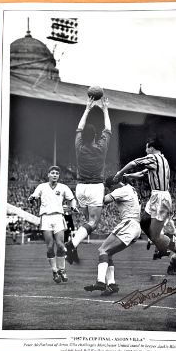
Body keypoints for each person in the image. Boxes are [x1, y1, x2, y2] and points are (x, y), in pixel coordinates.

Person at [65, 95, 112, 262]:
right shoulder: (101, 148)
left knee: (87, 221)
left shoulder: (79, 146)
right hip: (94, 187)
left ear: (83, 136)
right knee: (93, 223)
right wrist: (105, 109)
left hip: (80, 188)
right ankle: (73, 244)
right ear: (95, 136)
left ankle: (74, 246)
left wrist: (87, 108)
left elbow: (79, 128)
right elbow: (108, 129)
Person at [113, 138, 176, 257]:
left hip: (161, 197)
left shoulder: (153, 158)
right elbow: (142, 173)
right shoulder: (162, 160)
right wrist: (127, 175)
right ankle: (162, 248)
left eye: (146, 148)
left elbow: (133, 163)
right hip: (156, 195)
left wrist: (120, 173)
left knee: (155, 234)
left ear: (151, 148)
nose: (145, 150)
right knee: (144, 223)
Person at [83, 176, 141, 296]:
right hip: (135, 227)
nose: (111, 190)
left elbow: (103, 200)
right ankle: (112, 284)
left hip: (128, 223)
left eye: (110, 188)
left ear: (113, 185)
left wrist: (90, 196)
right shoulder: (131, 188)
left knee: (102, 250)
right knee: (108, 253)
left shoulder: (121, 190)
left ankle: (100, 282)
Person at [28, 166, 77, 283]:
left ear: (58, 176)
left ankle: (62, 269)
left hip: (58, 217)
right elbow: (34, 196)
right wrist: (32, 198)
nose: (55, 175)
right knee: (50, 246)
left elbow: (72, 199)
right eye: (53, 173)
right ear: (48, 174)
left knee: (60, 245)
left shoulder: (63, 187)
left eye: (57, 173)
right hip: (45, 218)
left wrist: (73, 206)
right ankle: (55, 271)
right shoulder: (42, 187)